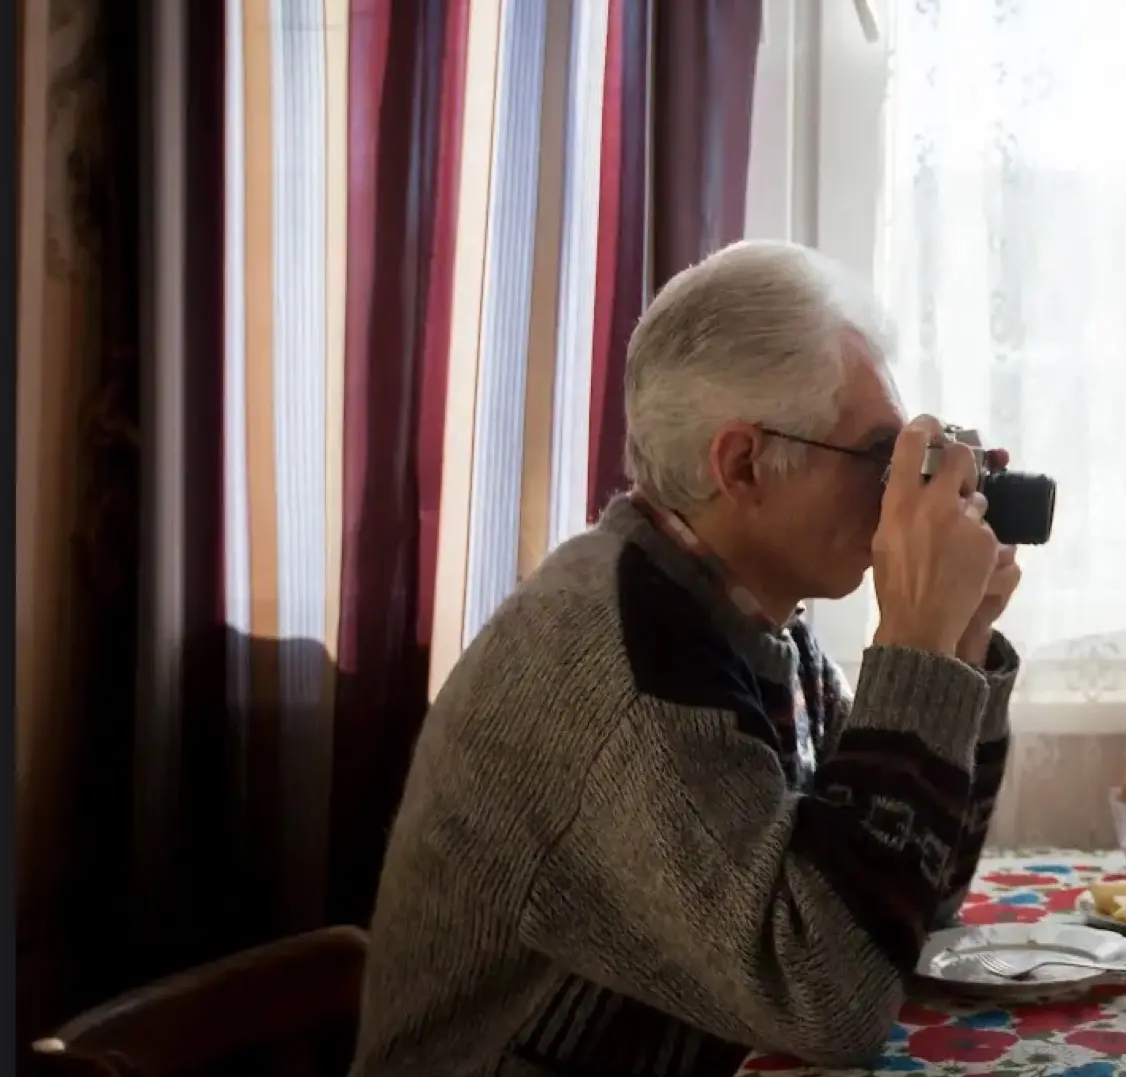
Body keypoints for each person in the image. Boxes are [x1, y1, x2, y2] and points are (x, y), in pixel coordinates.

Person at [352, 240, 1022, 1076]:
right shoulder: (620, 664)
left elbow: (899, 909)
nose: (901, 495)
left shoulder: (752, 620)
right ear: (743, 464)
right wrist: (915, 647)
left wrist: (955, 649)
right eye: (879, 460)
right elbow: (827, 998)